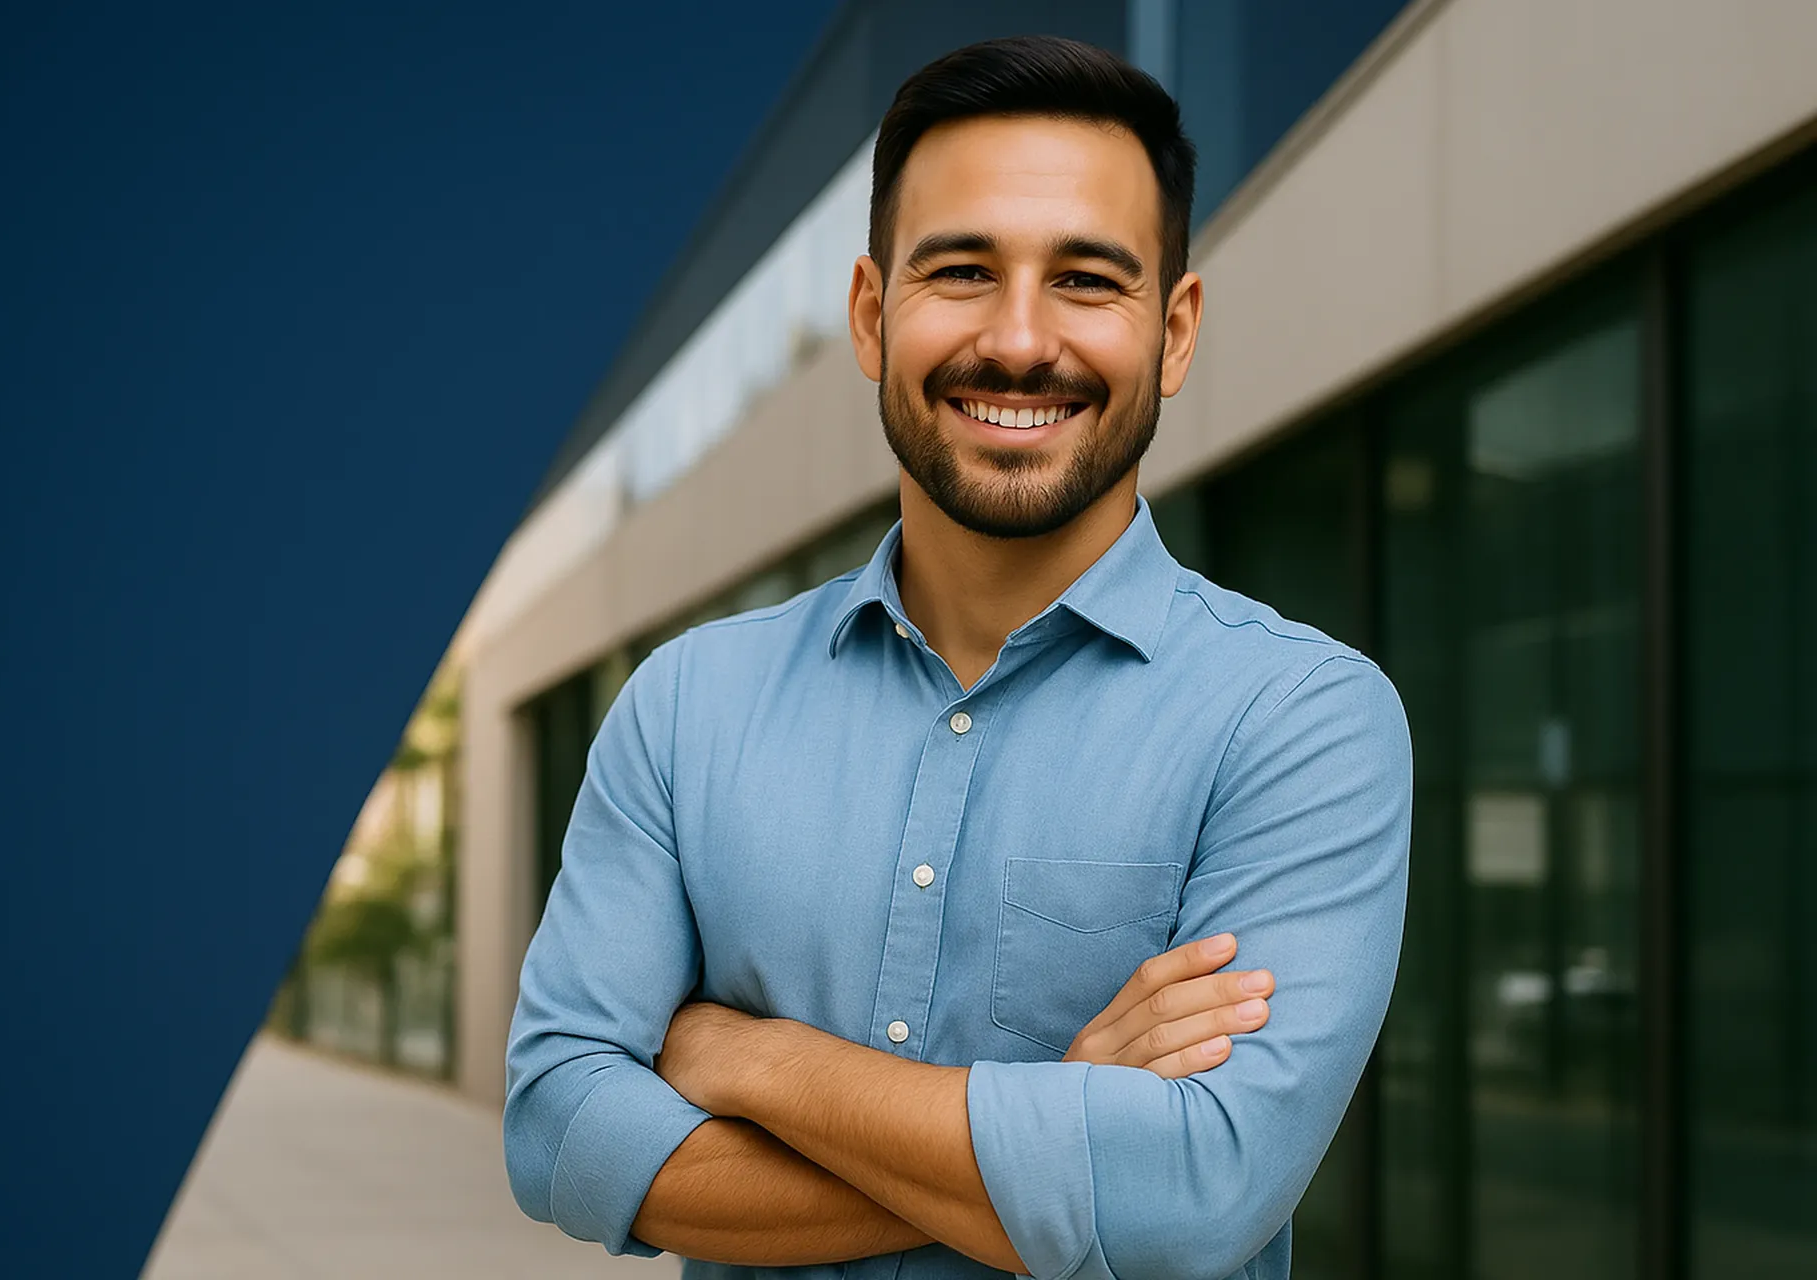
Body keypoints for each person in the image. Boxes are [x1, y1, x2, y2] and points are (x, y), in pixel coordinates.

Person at [503, 34, 1412, 1280]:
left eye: (1087, 279)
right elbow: (561, 1132)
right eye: (963, 270)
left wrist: (752, 1059)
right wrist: (1065, 1121)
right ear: (874, 318)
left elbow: (1200, 1191)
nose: (1020, 340)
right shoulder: (683, 705)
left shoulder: (1300, 717)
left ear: (1175, 330)